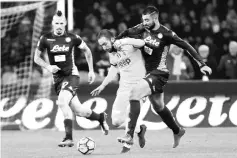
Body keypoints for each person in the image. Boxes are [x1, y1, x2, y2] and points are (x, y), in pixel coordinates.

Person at [116, 6, 212, 149]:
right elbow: (126, 32)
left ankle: (129, 136)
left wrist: (201, 64)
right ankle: (178, 131)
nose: (145, 22)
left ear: (155, 18)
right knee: (158, 106)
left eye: (147, 19)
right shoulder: (141, 28)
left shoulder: (166, 33)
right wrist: (115, 43)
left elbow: (186, 46)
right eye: (143, 19)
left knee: (134, 93)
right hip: (148, 73)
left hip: (159, 72)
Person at [34, 11, 109, 147]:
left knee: (62, 102)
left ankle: (68, 138)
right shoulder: (45, 39)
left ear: (65, 24)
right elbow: (36, 58)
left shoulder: (73, 38)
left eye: (61, 23)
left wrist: (91, 70)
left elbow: (87, 50)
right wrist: (49, 67)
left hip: (71, 75)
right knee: (79, 111)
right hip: (57, 79)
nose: (58, 26)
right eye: (56, 23)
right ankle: (100, 117)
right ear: (52, 24)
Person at [90, 29, 147, 153]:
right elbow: (114, 69)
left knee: (129, 114)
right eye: (101, 45)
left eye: (105, 44)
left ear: (112, 39)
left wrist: (124, 40)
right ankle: (140, 129)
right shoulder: (112, 54)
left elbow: (142, 43)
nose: (104, 47)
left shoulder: (127, 44)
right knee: (116, 121)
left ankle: (126, 147)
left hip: (140, 86)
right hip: (123, 88)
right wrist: (102, 85)